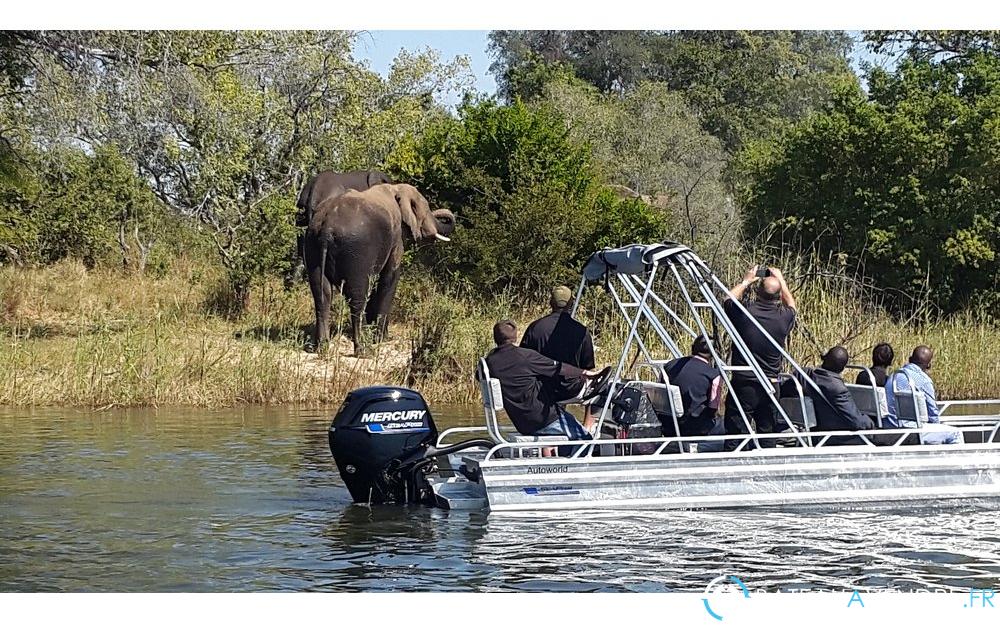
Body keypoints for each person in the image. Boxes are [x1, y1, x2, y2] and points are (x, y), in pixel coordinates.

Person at [485, 320, 607, 453]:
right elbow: (559, 368)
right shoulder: (525, 357)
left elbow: (479, 376)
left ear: (495, 337)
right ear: (515, 337)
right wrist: (585, 373)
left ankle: (558, 462)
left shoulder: (489, 362)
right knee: (585, 439)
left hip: (522, 424)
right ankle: (573, 469)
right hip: (543, 419)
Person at [722, 265, 797, 450]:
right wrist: (782, 281)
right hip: (770, 385)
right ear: (778, 296)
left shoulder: (745, 313)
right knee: (768, 433)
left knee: (736, 434)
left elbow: (727, 299)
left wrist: (746, 281)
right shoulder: (783, 317)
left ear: (757, 292)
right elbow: (792, 305)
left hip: (744, 382)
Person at [521, 285, 599, 433]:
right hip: (571, 389)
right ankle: (587, 431)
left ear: (551, 303)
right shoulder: (581, 331)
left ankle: (549, 441)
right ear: (571, 304)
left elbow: (524, 360)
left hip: (543, 391)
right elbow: (588, 367)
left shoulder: (535, 328)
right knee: (602, 389)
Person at [884, 345, 963, 445]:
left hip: (891, 425)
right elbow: (933, 413)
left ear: (910, 359)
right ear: (928, 365)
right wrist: (937, 431)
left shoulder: (894, 376)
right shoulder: (924, 381)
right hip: (912, 430)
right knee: (955, 433)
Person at [805, 346, 874, 444]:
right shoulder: (837, 389)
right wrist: (871, 423)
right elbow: (857, 421)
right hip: (836, 437)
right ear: (842, 368)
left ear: (825, 358)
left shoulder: (805, 375)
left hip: (815, 433)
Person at [663, 336, 724, 441]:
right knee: (728, 425)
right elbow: (713, 408)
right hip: (696, 428)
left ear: (692, 347)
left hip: (668, 425)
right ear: (713, 353)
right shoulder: (714, 375)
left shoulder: (668, 366)